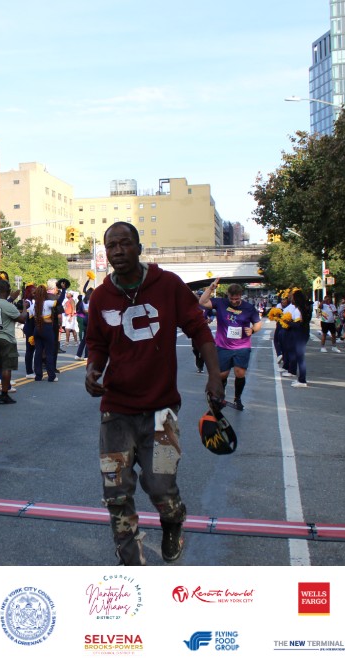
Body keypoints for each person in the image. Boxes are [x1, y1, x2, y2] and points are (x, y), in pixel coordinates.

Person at [85, 222, 223, 566]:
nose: (118, 251)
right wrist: (92, 370)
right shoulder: (101, 296)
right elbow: (97, 344)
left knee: (161, 485)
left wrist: (214, 376)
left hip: (162, 412)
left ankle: (173, 521)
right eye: (111, 246)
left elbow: (198, 328)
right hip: (116, 412)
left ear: (139, 247)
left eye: (125, 243)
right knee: (116, 491)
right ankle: (130, 560)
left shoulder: (169, 285)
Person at [198, 280, 261, 409]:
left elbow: (257, 323)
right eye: (231, 298)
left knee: (240, 373)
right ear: (228, 296)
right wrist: (210, 288)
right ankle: (220, 396)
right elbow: (202, 302)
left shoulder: (248, 308)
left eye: (236, 299)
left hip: (242, 346)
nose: (233, 301)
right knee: (222, 374)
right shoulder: (221, 303)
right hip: (223, 346)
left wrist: (253, 330)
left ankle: (238, 398)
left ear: (240, 295)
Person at [0, 280, 25, 403]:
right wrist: (25, 308)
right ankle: (4, 394)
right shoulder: (9, 306)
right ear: (8, 291)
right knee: (6, 367)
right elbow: (22, 319)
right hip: (7, 338)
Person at [31, 284, 58, 382]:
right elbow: (59, 301)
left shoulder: (33, 305)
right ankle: (51, 376)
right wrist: (63, 290)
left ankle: (38, 376)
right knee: (49, 353)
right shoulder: (47, 303)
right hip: (47, 329)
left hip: (37, 329)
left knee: (38, 352)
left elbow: (29, 317)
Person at [285, 290, 312, 387]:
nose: (291, 299)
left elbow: (298, 324)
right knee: (299, 357)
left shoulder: (299, 310)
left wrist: (288, 323)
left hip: (300, 334)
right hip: (303, 333)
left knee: (300, 358)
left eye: (293, 298)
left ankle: (302, 380)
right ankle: (301, 379)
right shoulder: (305, 308)